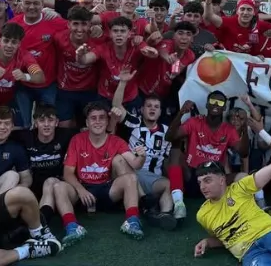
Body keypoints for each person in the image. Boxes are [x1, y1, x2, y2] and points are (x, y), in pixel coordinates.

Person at [194, 126, 271, 266]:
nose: (202, 187)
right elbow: (224, 237)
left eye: (207, 181)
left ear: (222, 180)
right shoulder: (202, 215)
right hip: (249, 252)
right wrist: (208, 242)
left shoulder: (241, 188)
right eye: (200, 182)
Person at [53, 101, 147, 244]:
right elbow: (68, 173)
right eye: (93, 118)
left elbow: (135, 164)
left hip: (107, 188)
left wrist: (142, 157)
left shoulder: (116, 141)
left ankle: (132, 221)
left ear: (107, 121)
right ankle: (72, 227)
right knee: (58, 186)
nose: (97, 121)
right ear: (87, 122)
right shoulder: (77, 140)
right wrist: (81, 190)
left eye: (102, 117)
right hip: (83, 190)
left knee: (131, 178)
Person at [165, 92, 249, 197]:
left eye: (220, 102)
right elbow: (169, 137)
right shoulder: (194, 122)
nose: (216, 104)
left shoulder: (229, 129)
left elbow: (243, 153)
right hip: (192, 175)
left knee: (244, 176)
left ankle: (261, 203)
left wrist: (244, 128)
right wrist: (181, 113)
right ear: (207, 105)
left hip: (215, 178)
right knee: (175, 150)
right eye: (213, 101)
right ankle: (178, 202)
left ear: (224, 108)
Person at [11, 0, 69, 126]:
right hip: (23, 85)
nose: (32, 7)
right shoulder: (13, 25)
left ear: (43, 4)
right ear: (21, 4)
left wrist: (96, 29)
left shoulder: (54, 21)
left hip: (47, 85)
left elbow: (78, 28)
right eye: (27, 3)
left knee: (46, 125)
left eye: (36, 3)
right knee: (23, 125)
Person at [127, 94, 183, 224]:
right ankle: (155, 210)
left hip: (154, 178)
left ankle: (164, 216)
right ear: (142, 109)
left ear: (160, 112)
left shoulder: (167, 132)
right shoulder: (133, 125)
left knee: (170, 184)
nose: (152, 109)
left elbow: (168, 159)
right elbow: (117, 108)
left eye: (156, 107)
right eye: (149, 106)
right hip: (134, 174)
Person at [23, 104, 77, 231]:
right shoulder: (26, 136)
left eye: (51, 120)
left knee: (50, 181)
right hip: (35, 188)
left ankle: (40, 226)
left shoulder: (66, 135)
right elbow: (1, 132)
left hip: (58, 187)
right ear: (35, 123)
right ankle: (39, 226)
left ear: (57, 122)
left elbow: (91, 132)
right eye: (42, 120)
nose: (46, 124)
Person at [53, 6, 100, 128]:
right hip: (65, 90)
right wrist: (46, 11)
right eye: (75, 24)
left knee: (89, 127)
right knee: (64, 126)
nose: (79, 29)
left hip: (89, 91)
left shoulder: (97, 40)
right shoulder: (58, 38)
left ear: (90, 25)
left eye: (84, 24)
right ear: (68, 24)